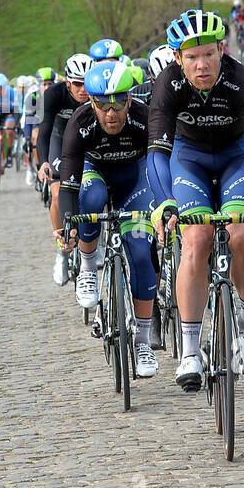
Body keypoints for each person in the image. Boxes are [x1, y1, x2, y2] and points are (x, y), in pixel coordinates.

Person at [146, 10, 244, 390]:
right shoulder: (167, 85)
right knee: (196, 241)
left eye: (208, 54)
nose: (201, 64)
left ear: (222, 50)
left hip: (235, 158)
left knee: (241, 236)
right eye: (191, 57)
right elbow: (158, 155)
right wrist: (164, 203)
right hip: (188, 159)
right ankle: (191, 351)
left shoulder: (240, 80)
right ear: (178, 58)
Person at [56, 61, 160, 378]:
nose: (111, 112)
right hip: (95, 175)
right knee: (91, 199)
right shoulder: (80, 122)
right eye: (102, 103)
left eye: (118, 102)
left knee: (142, 253)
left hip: (134, 183)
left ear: (130, 99)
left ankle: (142, 341)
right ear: (91, 102)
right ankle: (88, 267)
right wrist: (68, 225)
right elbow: (69, 183)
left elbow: (160, 165)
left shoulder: (144, 119)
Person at [37, 53, 92, 283]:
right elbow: (44, 131)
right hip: (60, 140)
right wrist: (43, 163)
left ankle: (94, 242)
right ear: (68, 83)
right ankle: (62, 252)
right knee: (58, 193)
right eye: (77, 84)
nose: (83, 89)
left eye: (86, 83)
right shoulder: (53, 95)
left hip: (88, 140)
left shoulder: (98, 92)